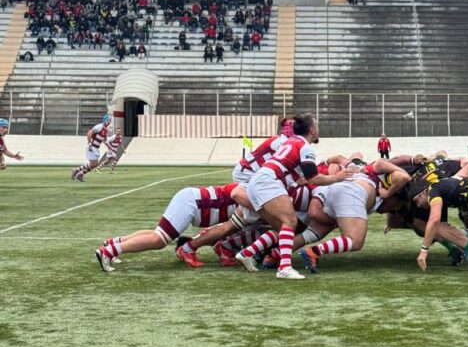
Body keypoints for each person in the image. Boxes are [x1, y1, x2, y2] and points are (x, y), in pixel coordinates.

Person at [233, 113, 355, 280]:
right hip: (269, 182)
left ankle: (247, 253)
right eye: (317, 126)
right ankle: (284, 267)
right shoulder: (306, 147)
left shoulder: (291, 141)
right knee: (290, 222)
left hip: (259, 180)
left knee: (281, 228)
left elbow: (295, 170)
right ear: (312, 130)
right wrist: (337, 178)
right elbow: (315, 178)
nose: (318, 130)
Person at [96, 183, 240, 271]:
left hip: (192, 200)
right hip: (194, 204)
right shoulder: (250, 193)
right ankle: (108, 251)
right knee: (158, 240)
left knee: (158, 234)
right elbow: (226, 228)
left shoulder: (249, 187)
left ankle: (114, 244)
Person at [71, 114, 112, 181]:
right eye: (108, 120)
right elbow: (89, 133)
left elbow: (105, 140)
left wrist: (109, 147)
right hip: (92, 147)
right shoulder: (99, 127)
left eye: (110, 121)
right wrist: (90, 144)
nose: (109, 122)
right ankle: (76, 170)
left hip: (96, 148)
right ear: (104, 120)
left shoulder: (105, 130)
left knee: (94, 165)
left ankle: (80, 174)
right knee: (93, 164)